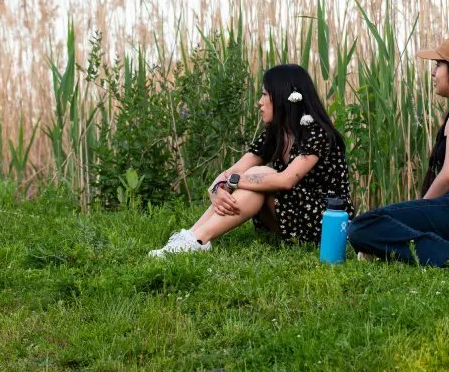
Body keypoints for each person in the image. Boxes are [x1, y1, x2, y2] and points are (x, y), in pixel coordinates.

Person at [150, 63, 353, 256]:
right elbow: (235, 169)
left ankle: (198, 241)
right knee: (254, 177)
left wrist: (234, 181)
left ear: (282, 97)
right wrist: (216, 189)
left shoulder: (318, 133)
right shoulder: (276, 133)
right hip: (289, 218)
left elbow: (286, 180)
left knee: (260, 174)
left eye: (265, 94)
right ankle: (189, 239)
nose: (259, 102)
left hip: (326, 225)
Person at [347, 34, 449, 273]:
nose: (433, 73)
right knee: (385, 228)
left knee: (362, 225)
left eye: (438, 66)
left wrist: (421, 206)